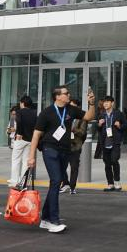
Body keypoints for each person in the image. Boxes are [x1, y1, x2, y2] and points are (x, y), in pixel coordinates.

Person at [27, 87, 96, 233]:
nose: (69, 95)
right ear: (57, 96)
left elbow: (89, 117)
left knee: (55, 183)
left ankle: (45, 219)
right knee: (57, 180)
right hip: (49, 149)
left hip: (65, 151)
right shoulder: (46, 112)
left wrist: (91, 103)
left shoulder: (71, 109)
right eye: (66, 93)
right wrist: (31, 157)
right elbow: (36, 135)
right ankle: (53, 220)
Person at [98, 95, 127, 191]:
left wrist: (119, 126)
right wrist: (99, 124)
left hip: (115, 142)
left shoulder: (119, 114)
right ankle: (110, 184)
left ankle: (117, 182)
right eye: (104, 102)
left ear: (112, 103)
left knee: (114, 160)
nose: (105, 104)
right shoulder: (102, 115)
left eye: (107, 102)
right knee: (107, 164)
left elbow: (125, 125)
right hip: (105, 142)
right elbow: (98, 129)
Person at [10, 96, 37, 186]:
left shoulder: (19, 112)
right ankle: (23, 183)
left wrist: (19, 133)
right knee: (26, 161)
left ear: (22, 103)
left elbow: (19, 122)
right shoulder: (34, 113)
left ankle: (14, 181)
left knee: (16, 160)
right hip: (30, 139)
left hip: (20, 139)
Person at [63, 105, 89, 195]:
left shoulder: (82, 119)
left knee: (74, 167)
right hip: (64, 145)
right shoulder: (64, 116)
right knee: (61, 166)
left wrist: (74, 130)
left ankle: (72, 187)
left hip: (75, 146)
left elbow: (82, 132)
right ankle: (65, 183)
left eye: (72, 106)